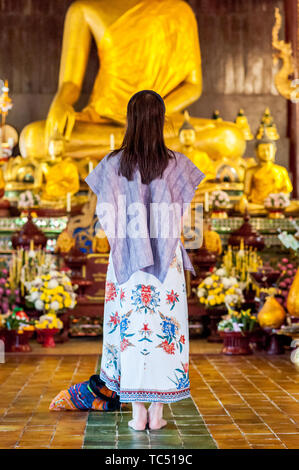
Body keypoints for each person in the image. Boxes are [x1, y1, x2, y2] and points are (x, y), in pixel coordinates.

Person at [85, 90, 205, 431]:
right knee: (165, 333)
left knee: (132, 333)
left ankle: (138, 414)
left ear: (130, 120)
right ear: (162, 120)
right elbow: (183, 214)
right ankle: (157, 414)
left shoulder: (111, 164)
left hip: (126, 263)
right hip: (166, 263)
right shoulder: (177, 163)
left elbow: (105, 217)